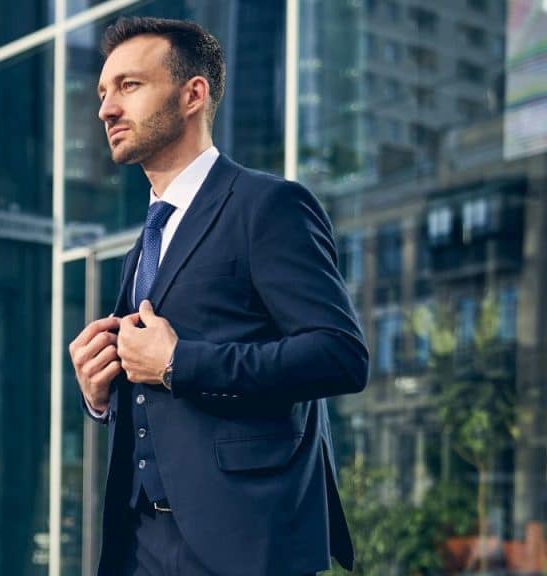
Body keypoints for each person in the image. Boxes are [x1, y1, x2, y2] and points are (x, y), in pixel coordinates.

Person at [68, 17, 369, 576]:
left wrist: (180, 362)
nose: (107, 108)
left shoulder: (269, 205)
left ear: (193, 95)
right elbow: (154, 404)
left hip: (246, 545)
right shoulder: (147, 239)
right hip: (142, 545)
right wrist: (101, 393)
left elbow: (340, 356)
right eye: (104, 93)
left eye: (129, 86)